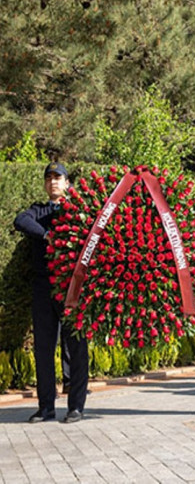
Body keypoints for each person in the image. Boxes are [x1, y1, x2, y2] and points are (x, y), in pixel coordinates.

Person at [14, 163, 89, 424]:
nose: (53, 182)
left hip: (71, 286)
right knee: (44, 349)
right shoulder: (38, 210)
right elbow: (20, 221)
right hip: (44, 287)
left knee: (77, 347)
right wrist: (47, 234)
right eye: (48, 178)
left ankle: (76, 406)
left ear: (67, 183)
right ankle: (46, 407)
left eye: (58, 178)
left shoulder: (78, 209)